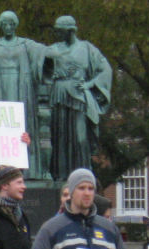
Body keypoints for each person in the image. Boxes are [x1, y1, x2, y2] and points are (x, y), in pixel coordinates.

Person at [0, 11, 48, 179]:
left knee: (22, 127)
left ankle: (26, 170)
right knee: (0, 126)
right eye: (5, 24)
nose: (8, 27)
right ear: (1, 26)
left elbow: (44, 53)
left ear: (15, 25)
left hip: (21, 90)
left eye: (11, 23)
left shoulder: (26, 44)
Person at [45, 16, 112, 181]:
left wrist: (90, 84)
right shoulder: (52, 49)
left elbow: (105, 70)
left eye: (61, 31)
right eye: (57, 31)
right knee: (59, 137)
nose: (58, 34)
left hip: (79, 97)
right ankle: (60, 177)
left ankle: (83, 178)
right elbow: (41, 72)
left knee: (80, 138)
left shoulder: (87, 48)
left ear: (70, 31)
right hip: (58, 95)